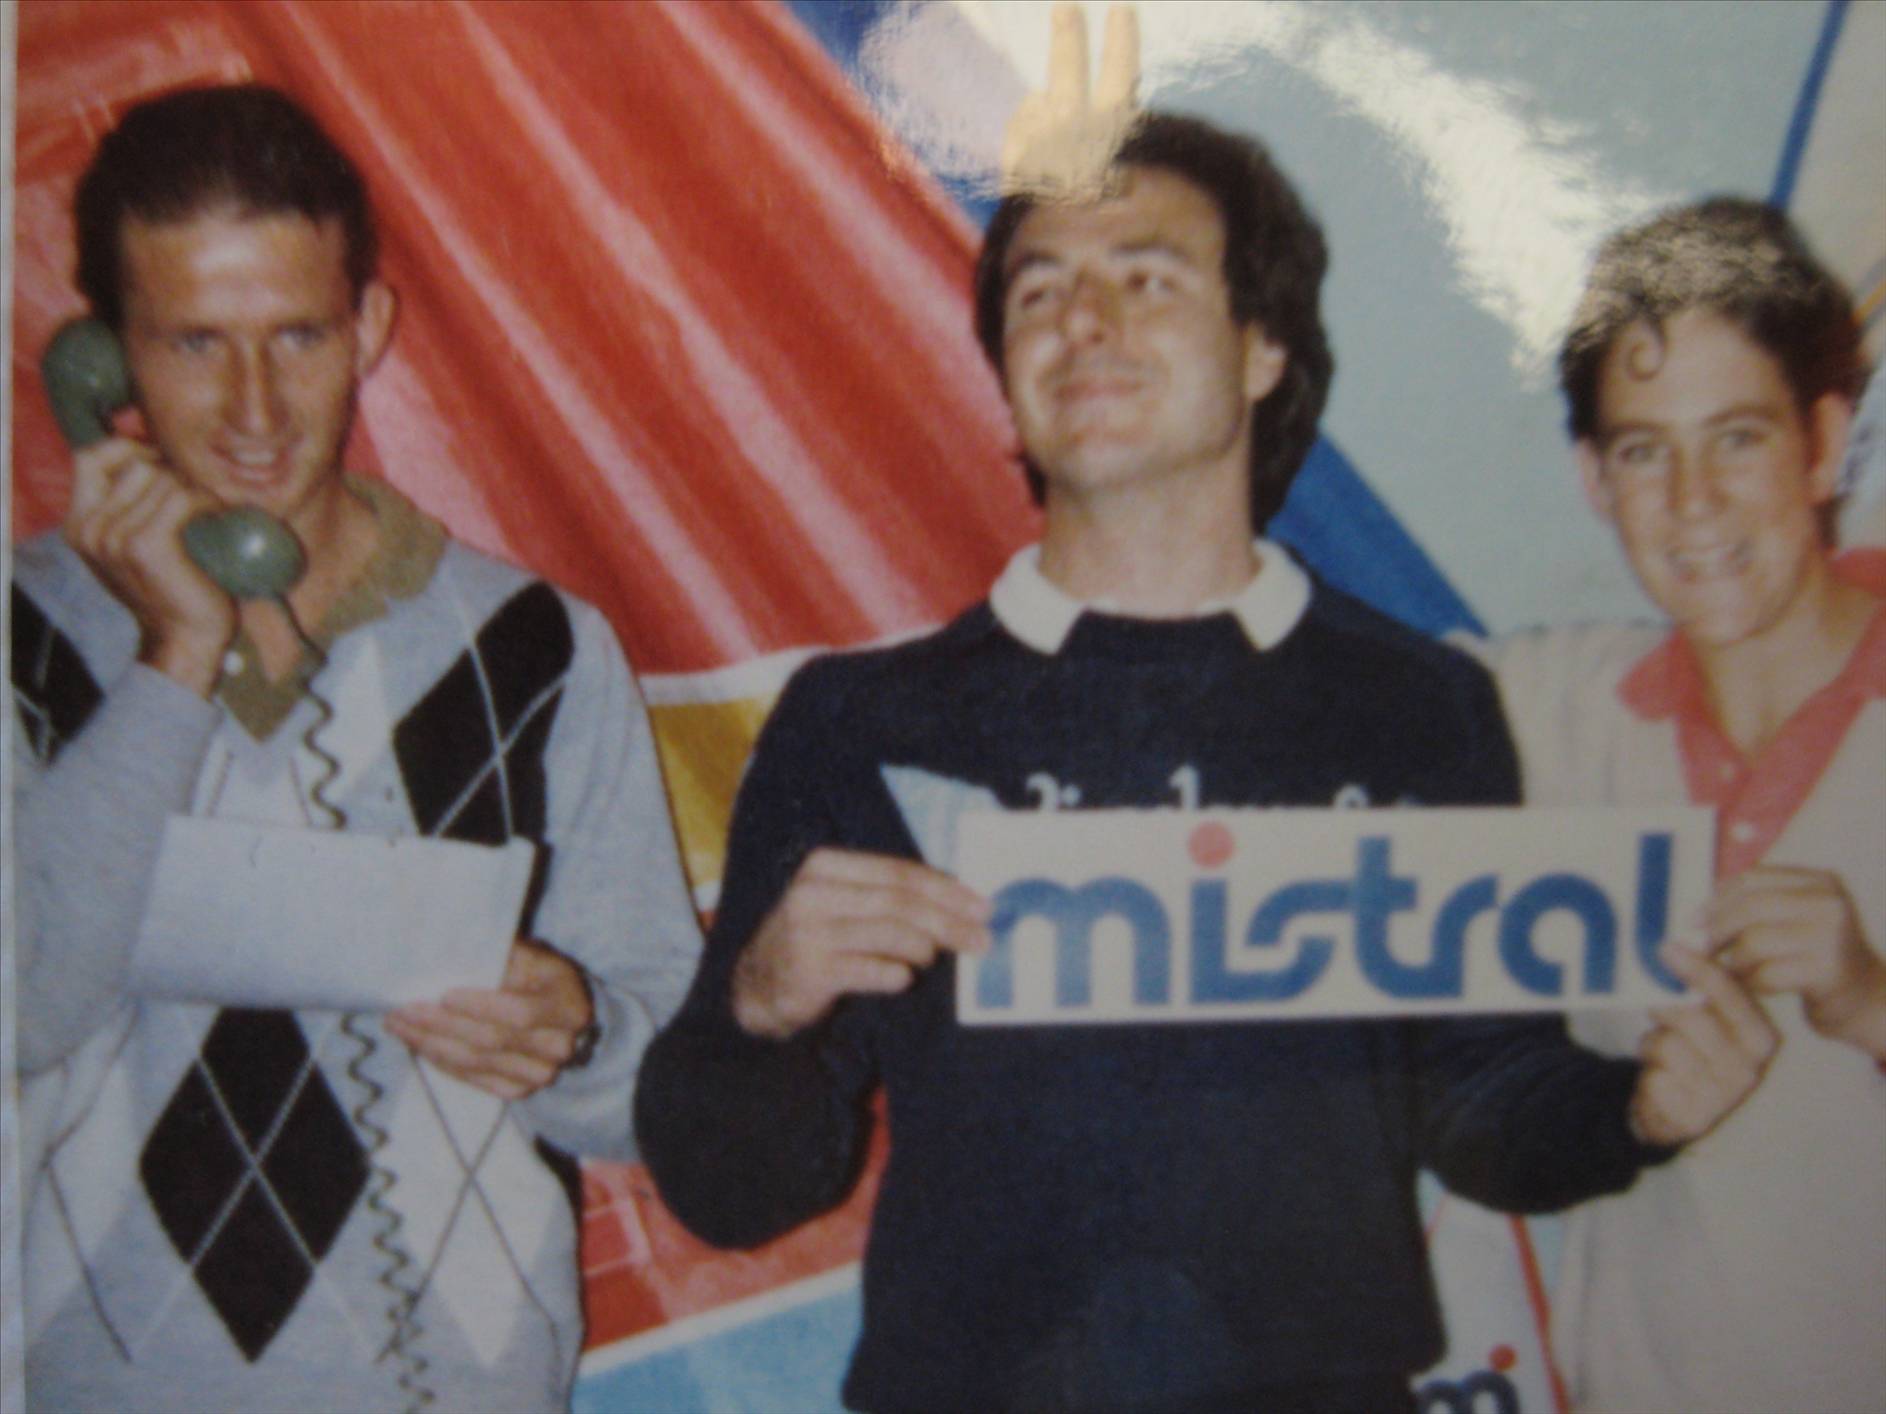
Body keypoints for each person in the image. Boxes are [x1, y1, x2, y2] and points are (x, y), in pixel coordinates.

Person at [633, 113, 1775, 1414]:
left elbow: (1482, 1105)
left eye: (1146, 277)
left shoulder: (1413, 703)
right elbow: (728, 1191)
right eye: (1039, 291)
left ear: (1261, 346)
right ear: (1003, 366)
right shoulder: (863, 721)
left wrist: (1637, 1109)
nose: (1084, 321)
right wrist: (760, 1006)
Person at [11, 85, 701, 1412]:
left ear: (369, 328)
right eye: (195, 343)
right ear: (103, 363)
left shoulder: (541, 648)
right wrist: (170, 657)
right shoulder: (19, 638)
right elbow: (23, 1002)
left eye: (299, 336)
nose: (256, 406)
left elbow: (658, 1089)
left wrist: (570, 1032)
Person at [1493, 197, 1886, 1413]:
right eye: (1642, 451)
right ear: (1591, 479)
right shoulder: (1550, 706)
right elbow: (1275, 717)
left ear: (1823, 443)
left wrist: (1869, 1001)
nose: (1693, 500)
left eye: (1736, 439)